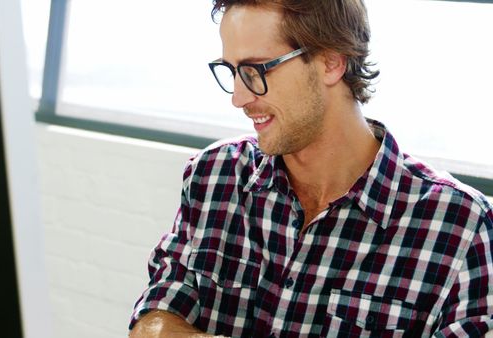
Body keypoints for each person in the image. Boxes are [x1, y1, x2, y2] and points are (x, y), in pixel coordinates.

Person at [129, 0, 493, 336]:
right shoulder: (213, 175)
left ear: (331, 62)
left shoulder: (461, 228)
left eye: (255, 71)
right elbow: (155, 313)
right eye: (231, 71)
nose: (238, 98)